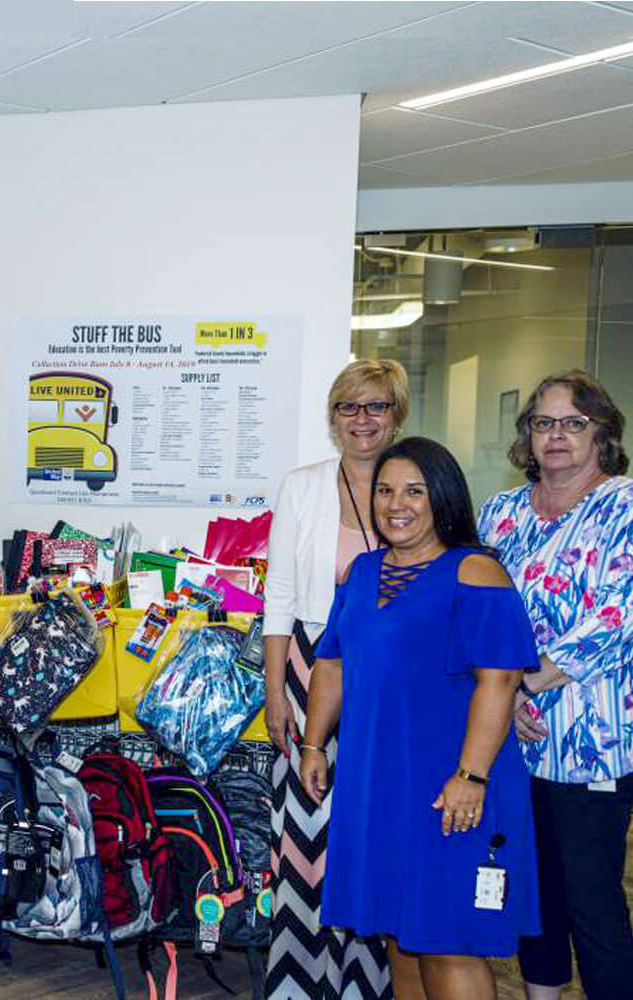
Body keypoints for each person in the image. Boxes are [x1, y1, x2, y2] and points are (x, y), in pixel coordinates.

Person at [300, 436, 541, 1000]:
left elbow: (499, 680)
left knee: (448, 940)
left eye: (415, 490)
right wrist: (314, 745)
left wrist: (471, 776)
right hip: (380, 781)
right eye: (385, 490)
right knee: (400, 936)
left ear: (444, 499)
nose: (396, 504)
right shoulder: (361, 573)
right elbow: (332, 663)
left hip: (453, 784)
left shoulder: (475, 573)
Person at [263, 358, 417, 1000]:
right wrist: (275, 692)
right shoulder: (302, 486)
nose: (363, 420)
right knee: (303, 832)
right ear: (333, 418)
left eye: (376, 406)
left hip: (392, 681)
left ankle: (363, 984)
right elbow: (279, 595)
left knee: (371, 828)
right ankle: (298, 983)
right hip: (306, 665)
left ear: (396, 415)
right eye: (350, 407)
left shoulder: (415, 486)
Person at [478, 370, 633, 1000]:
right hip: (509, 740)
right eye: (544, 423)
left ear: (602, 433)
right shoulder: (502, 512)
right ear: (528, 435)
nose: (557, 435)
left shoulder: (623, 504)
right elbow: (477, 612)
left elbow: (618, 614)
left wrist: (524, 685)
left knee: (593, 902)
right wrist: (503, 695)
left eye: (574, 422)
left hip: (590, 740)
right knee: (531, 891)